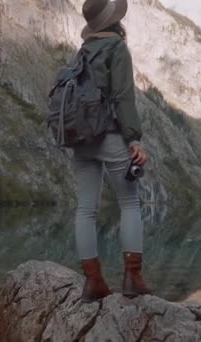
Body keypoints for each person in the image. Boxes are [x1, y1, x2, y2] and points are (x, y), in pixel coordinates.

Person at [74, 0, 151, 303]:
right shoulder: (117, 48)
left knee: (85, 209)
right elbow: (123, 97)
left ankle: (93, 283)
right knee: (130, 203)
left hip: (80, 139)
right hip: (108, 135)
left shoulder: (82, 52)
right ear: (115, 21)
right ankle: (132, 278)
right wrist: (133, 139)